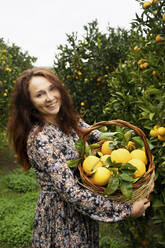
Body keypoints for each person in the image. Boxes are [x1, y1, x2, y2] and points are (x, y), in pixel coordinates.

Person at [7, 68, 151, 248]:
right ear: (29, 103)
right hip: (61, 219)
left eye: (52, 89)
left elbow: (100, 137)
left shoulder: (69, 120)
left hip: (84, 212)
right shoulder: (41, 139)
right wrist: (127, 210)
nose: (50, 97)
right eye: (40, 94)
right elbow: (71, 193)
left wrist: (130, 148)